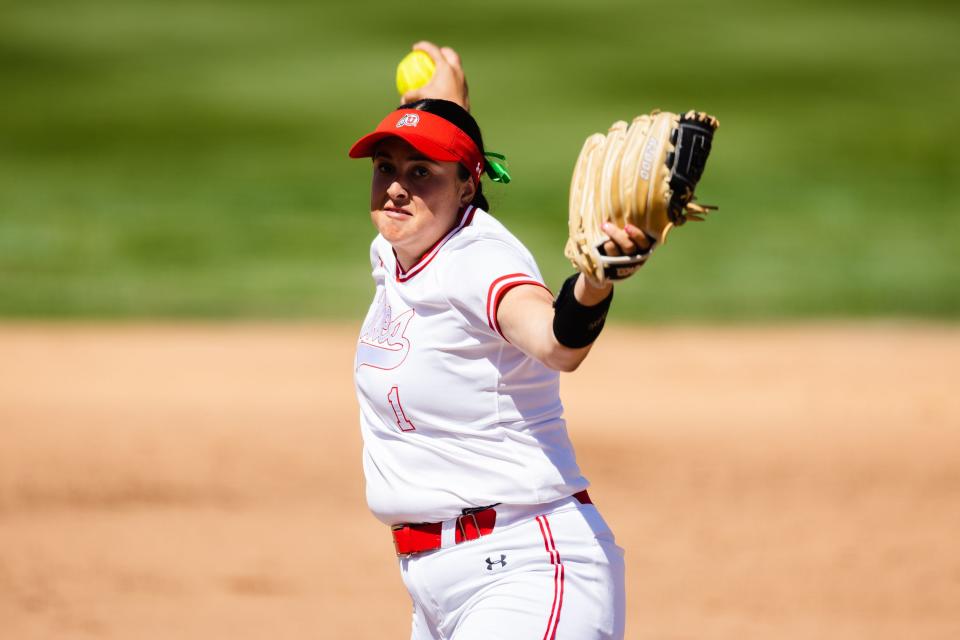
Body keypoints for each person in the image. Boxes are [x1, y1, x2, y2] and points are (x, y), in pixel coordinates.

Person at [348, 41, 650, 640]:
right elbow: (439, 156)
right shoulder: (396, 248)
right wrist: (444, 102)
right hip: (436, 590)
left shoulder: (478, 260)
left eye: (421, 173)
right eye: (386, 166)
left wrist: (593, 284)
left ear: (466, 187)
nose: (396, 189)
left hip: (526, 571)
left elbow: (557, 342)